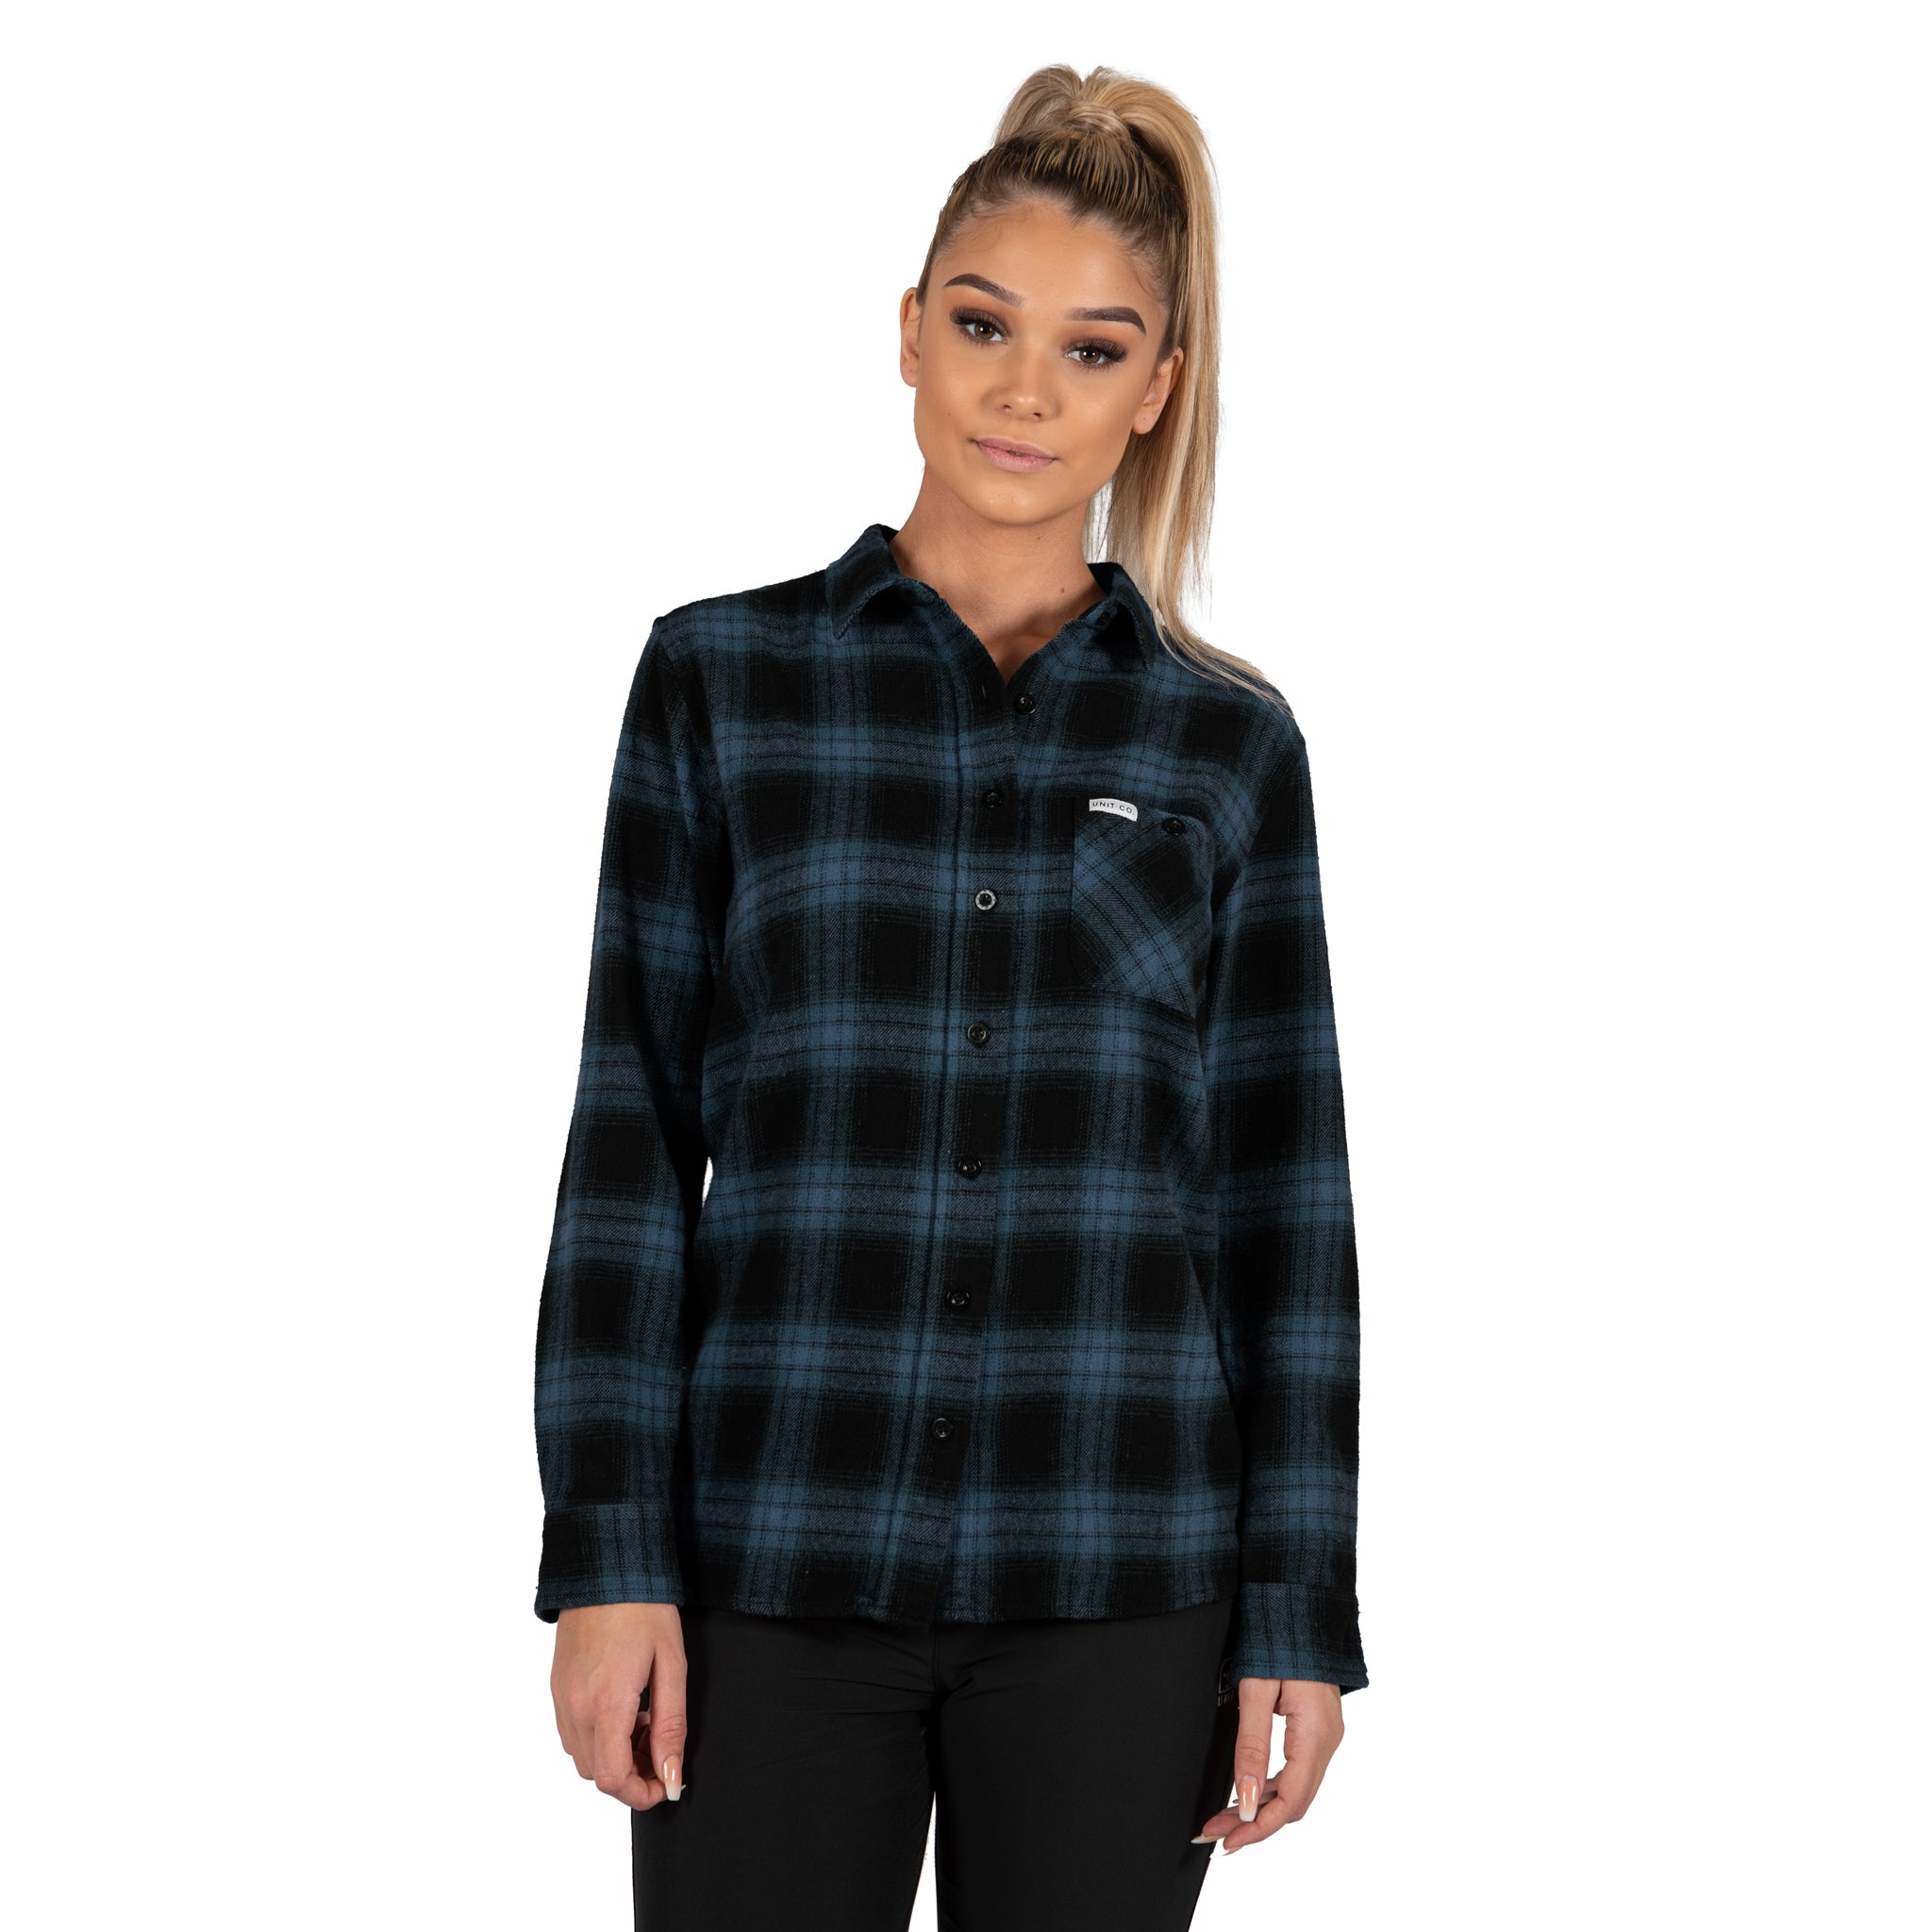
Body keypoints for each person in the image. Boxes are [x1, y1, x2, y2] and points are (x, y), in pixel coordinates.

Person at [533, 61, 1368, 1932]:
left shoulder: (1228, 749)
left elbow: (1282, 1208)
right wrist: (607, 1556)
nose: (1024, 390)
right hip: (766, 1563)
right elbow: (629, 1147)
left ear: (1156, 390)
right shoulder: (720, 686)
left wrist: (1296, 1610)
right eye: (986, 326)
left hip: (1123, 1578)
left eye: (1093, 350)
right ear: (908, 332)